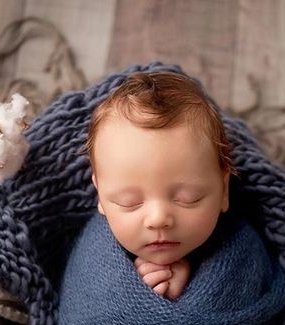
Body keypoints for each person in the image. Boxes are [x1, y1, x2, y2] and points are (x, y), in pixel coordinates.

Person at [84, 71, 236, 300]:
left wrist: (187, 295)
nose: (158, 219)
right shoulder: (93, 256)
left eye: (189, 198)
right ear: (100, 197)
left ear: (224, 190)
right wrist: (136, 299)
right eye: (130, 202)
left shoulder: (239, 253)